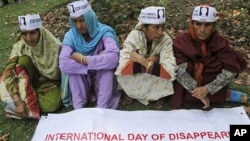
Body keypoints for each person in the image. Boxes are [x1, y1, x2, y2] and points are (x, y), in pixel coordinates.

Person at [169, 4, 248, 109]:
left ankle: (216, 96)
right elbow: (176, 69)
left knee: (216, 65)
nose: (202, 30)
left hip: (212, 87)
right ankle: (195, 97)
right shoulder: (182, 40)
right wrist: (197, 91)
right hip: (188, 87)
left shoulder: (219, 42)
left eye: (208, 25)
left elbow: (231, 69)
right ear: (192, 24)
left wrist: (208, 89)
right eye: (198, 24)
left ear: (214, 26)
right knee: (186, 67)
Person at [59, 0, 121, 109]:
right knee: (74, 74)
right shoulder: (70, 36)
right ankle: (79, 108)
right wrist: (97, 61)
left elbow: (113, 58)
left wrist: (85, 59)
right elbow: (63, 63)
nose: (78, 26)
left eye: (82, 21)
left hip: (100, 75)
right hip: (83, 75)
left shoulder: (104, 32)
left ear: (90, 18)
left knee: (107, 71)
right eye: (75, 21)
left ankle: (102, 107)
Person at [0, 14, 62, 119]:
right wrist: (17, 102)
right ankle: (27, 99)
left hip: (49, 82)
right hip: (29, 80)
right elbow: (8, 72)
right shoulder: (20, 46)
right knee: (23, 60)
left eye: (32, 33)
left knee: (51, 105)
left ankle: (29, 98)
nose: (28, 38)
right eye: (24, 33)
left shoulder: (53, 45)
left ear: (40, 32)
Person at [115, 6, 177, 105]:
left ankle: (134, 94)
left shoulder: (166, 40)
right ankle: (154, 96)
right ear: (144, 27)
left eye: (162, 26)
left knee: (168, 78)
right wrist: (152, 61)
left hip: (151, 76)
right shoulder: (134, 36)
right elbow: (122, 68)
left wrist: (140, 59)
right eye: (156, 27)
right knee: (122, 76)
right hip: (148, 75)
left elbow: (170, 72)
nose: (161, 32)